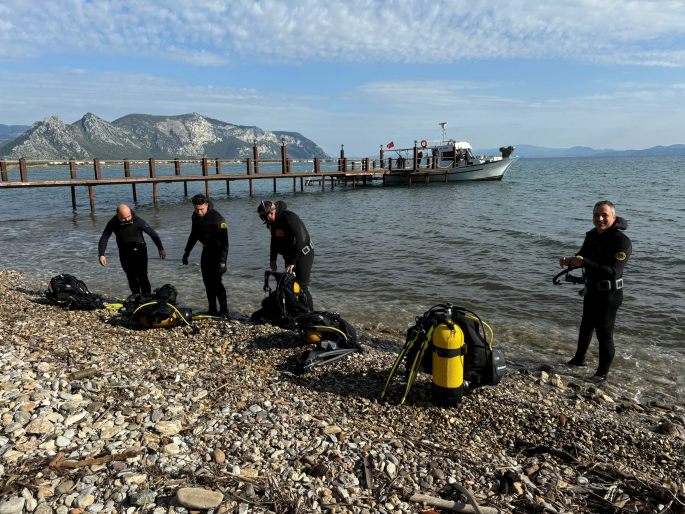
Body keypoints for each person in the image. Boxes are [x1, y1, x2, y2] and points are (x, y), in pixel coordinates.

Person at [559, 201, 632, 383]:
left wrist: (582, 262)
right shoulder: (592, 236)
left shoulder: (621, 241)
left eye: (604, 215)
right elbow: (582, 256)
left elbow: (613, 272)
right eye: (596, 215)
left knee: (604, 334)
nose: (599, 219)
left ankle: (601, 374)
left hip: (610, 294)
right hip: (591, 290)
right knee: (586, 327)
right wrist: (568, 261)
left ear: (613, 217)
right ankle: (578, 360)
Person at [257, 200, 314, 310]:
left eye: (263, 217)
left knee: (302, 287)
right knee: (290, 285)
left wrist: (292, 262)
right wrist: (273, 258)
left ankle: (310, 313)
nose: (263, 220)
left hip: (303, 254)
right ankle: (296, 311)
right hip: (289, 255)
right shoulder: (272, 223)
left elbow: (300, 241)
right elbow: (274, 240)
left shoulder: (290, 218)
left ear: (271, 213)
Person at [98, 204, 166, 296]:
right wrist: (101, 254)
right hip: (124, 252)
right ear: (117, 215)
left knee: (142, 276)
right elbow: (104, 238)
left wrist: (160, 249)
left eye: (128, 216)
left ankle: (147, 296)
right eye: (123, 218)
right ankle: (136, 296)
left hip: (140, 251)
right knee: (131, 276)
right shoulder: (113, 223)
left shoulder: (138, 221)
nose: (127, 219)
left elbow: (153, 235)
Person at [182, 194, 229, 317]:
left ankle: (224, 311)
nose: (199, 212)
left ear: (207, 205)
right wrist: (187, 252)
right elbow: (194, 235)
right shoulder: (195, 216)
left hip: (218, 252)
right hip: (206, 251)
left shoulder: (217, 218)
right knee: (207, 282)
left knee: (217, 282)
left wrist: (223, 262)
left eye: (201, 209)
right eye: (196, 209)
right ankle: (212, 309)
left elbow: (225, 243)